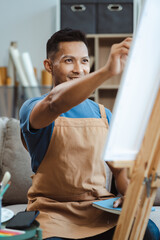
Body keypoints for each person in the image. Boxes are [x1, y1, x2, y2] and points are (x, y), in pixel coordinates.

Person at [19, 28, 159, 240]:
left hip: (98, 210)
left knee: (148, 230)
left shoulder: (104, 115)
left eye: (84, 61)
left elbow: (120, 171)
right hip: (53, 214)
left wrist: (129, 196)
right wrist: (106, 72)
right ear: (49, 66)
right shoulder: (33, 108)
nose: (79, 69)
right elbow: (54, 103)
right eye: (68, 61)